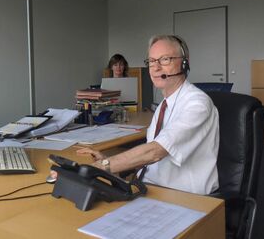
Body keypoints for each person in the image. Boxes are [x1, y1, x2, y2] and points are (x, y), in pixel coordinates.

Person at [52, 35, 219, 195]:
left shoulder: (197, 104)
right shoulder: (163, 106)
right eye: (152, 61)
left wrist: (99, 167)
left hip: (184, 197)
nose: (156, 67)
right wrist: (109, 161)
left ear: (184, 63)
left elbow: (154, 152)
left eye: (165, 59)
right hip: (149, 188)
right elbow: (149, 159)